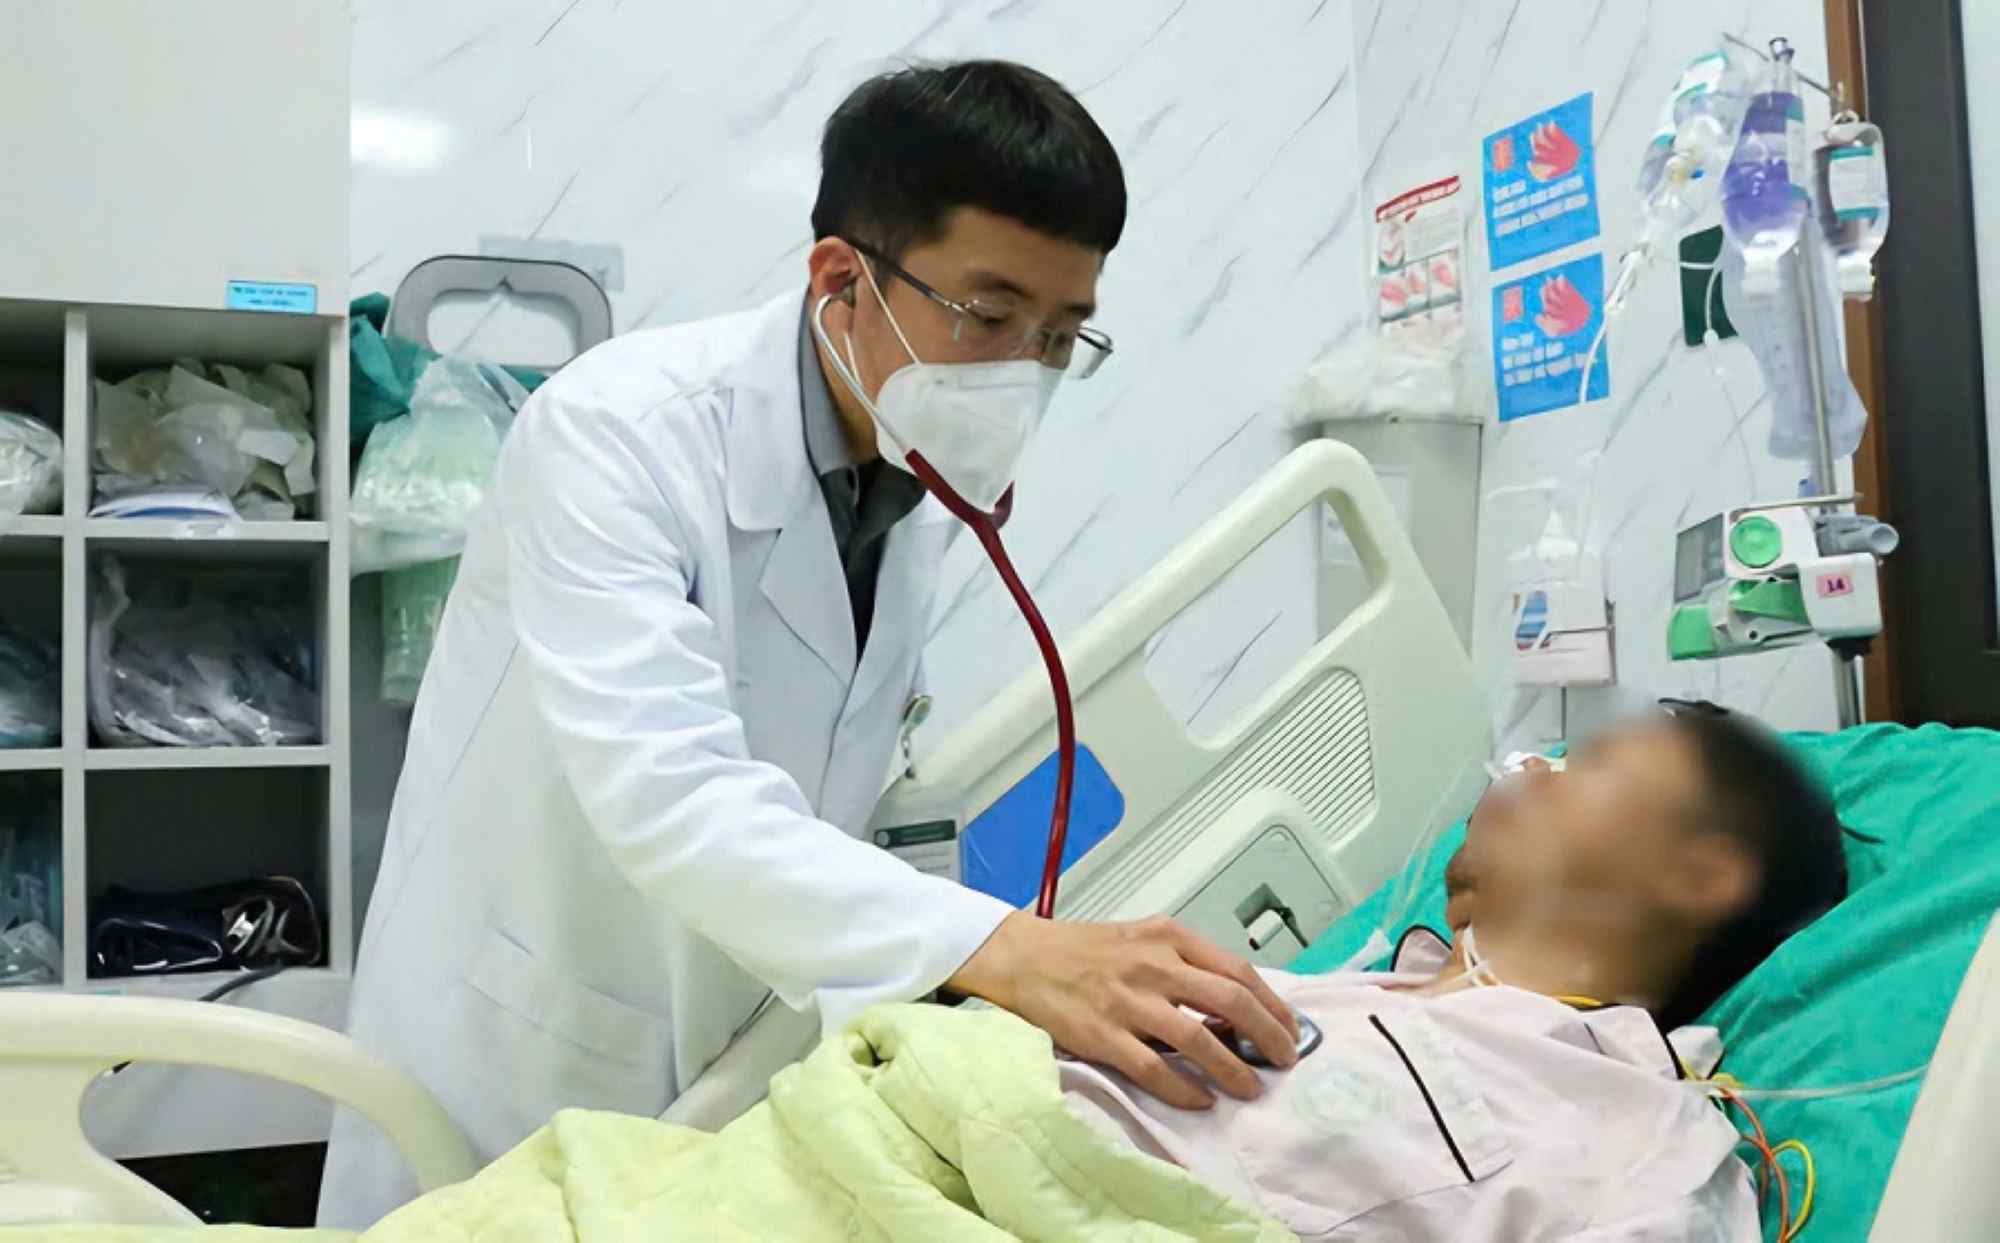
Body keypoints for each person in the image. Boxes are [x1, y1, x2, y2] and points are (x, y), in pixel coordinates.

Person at [319, 60, 1297, 1227]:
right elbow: (672, 794)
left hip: (729, 1067)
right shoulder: (610, 435)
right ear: (842, 279)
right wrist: (1005, 949)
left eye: (1057, 338)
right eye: (991, 317)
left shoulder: (902, 482)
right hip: (532, 1050)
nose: (1022, 372)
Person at [1058, 704, 1848, 1239]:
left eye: (1591, 761)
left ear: (1701, 874)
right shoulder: (1343, 988)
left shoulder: (1642, 1148)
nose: (1533, 763)